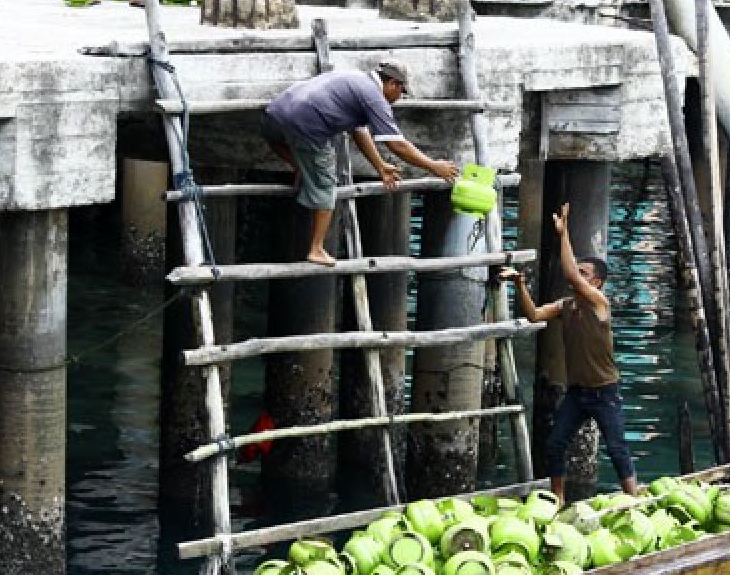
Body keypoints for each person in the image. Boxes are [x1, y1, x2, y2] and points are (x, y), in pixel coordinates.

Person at [261, 58, 460, 266]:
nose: (399, 98)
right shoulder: (375, 98)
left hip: (275, 114)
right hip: (309, 126)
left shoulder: (356, 80)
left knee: (278, 140)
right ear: (392, 83)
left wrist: (380, 166)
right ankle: (317, 249)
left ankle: (300, 167)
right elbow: (397, 145)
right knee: (327, 184)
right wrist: (433, 166)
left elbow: (359, 131)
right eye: (401, 92)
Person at [501, 203, 638, 505]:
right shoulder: (567, 305)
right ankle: (558, 499)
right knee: (555, 444)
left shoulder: (599, 303)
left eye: (585, 273)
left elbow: (571, 274)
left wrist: (563, 235)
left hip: (605, 391)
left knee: (617, 448)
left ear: (596, 283)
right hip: (577, 393)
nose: (578, 275)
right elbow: (535, 315)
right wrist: (520, 284)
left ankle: (635, 500)